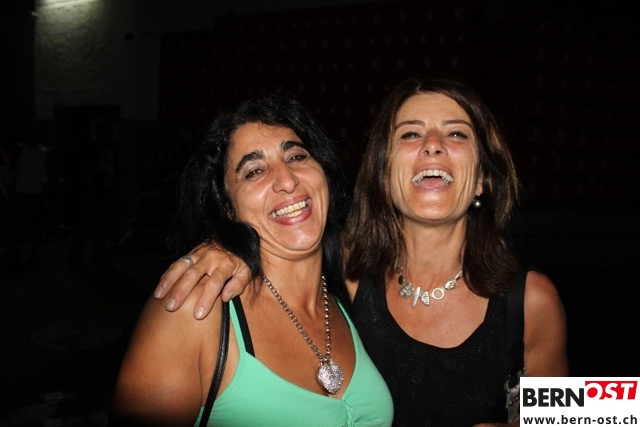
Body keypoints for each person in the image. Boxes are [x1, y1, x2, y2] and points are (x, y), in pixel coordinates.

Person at [152, 77, 568, 426]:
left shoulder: (533, 300)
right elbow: (279, 232)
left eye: (457, 133)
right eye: (410, 133)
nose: (433, 145)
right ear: (384, 173)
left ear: (482, 180)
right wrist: (227, 246)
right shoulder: (348, 270)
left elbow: (586, 415)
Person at [109, 94, 394, 426]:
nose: (287, 180)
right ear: (227, 208)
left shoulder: (352, 283)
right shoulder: (194, 308)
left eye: (297, 156)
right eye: (254, 170)